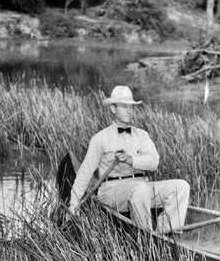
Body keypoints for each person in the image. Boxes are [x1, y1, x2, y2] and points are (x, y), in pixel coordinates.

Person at [68, 85, 190, 233]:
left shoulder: (142, 135)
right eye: (124, 107)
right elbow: (85, 173)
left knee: (181, 186)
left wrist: (131, 160)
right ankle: (146, 235)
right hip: (111, 192)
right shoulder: (100, 138)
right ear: (113, 109)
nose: (130, 111)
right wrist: (73, 205)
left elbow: (154, 162)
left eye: (131, 107)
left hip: (141, 188)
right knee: (140, 189)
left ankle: (168, 232)